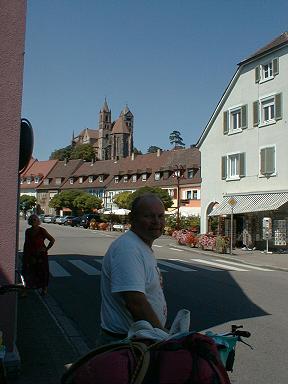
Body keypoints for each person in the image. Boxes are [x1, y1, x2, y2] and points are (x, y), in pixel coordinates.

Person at [99, 193, 167, 345]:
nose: (157, 222)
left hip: (140, 338)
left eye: (161, 216)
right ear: (132, 218)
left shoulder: (140, 245)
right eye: (148, 216)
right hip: (127, 344)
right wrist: (163, 337)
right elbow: (136, 302)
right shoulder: (128, 249)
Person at [22, 214, 55, 296]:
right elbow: (26, 244)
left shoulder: (42, 230)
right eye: (32, 220)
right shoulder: (28, 231)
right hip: (31, 254)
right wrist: (25, 255)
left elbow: (52, 240)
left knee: (43, 272)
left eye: (35, 220)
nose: (33, 221)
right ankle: (26, 290)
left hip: (41, 255)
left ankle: (44, 289)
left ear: (38, 221)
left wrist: (46, 249)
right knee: (29, 272)